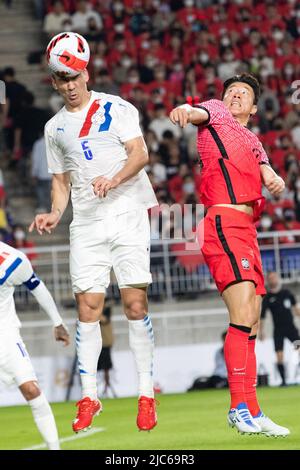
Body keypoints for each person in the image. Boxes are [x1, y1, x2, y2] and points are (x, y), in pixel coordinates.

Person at [29, 32, 158, 433]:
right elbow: (61, 182)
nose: (69, 85)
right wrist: (53, 213)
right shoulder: (54, 129)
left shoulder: (116, 108)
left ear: (86, 73)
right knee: (88, 310)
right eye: (61, 79)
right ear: (53, 81)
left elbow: (140, 155)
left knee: (135, 305)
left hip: (127, 213)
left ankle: (145, 393)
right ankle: (89, 396)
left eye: (74, 77)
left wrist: (114, 177)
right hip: (85, 223)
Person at [169, 73, 289, 437]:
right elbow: (197, 112)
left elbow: (264, 164)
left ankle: (253, 408)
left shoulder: (253, 138)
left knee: (252, 320)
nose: (235, 95)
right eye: (232, 91)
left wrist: (272, 177)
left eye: (244, 94)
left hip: (247, 231)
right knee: (241, 314)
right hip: (222, 223)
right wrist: (185, 111)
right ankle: (238, 407)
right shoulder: (217, 112)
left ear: (254, 108)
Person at [0, 240, 70, 450]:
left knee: (31, 390)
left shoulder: (12, 259)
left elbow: (36, 287)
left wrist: (58, 322)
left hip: (4, 335)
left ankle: (54, 448)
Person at [260, 271, 300, 386]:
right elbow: (262, 317)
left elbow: (296, 310)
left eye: (274, 277)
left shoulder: (287, 293)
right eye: (270, 278)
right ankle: (283, 381)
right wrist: (261, 332)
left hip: (291, 329)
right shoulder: (268, 298)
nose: (272, 280)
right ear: (267, 281)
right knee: (279, 355)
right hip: (278, 331)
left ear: (277, 278)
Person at [97, 299, 116, 398]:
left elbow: (104, 320)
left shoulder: (106, 310)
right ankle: (99, 389)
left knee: (106, 367)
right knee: (97, 368)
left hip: (105, 342)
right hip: (96, 343)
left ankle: (106, 389)